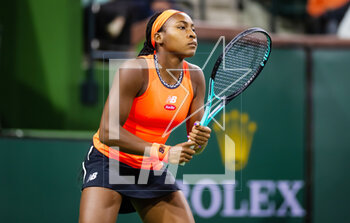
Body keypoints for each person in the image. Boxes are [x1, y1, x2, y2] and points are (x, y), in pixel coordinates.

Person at [79, 9, 211, 223]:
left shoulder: (195, 77)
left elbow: (194, 144)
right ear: (158, 38)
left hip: (150, 166)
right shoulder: (135, 70)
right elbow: (107, 131)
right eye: (182, 27)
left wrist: (199, 141)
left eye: (193, 29)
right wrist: (165, 152)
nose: (192, 34)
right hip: (109, 161)